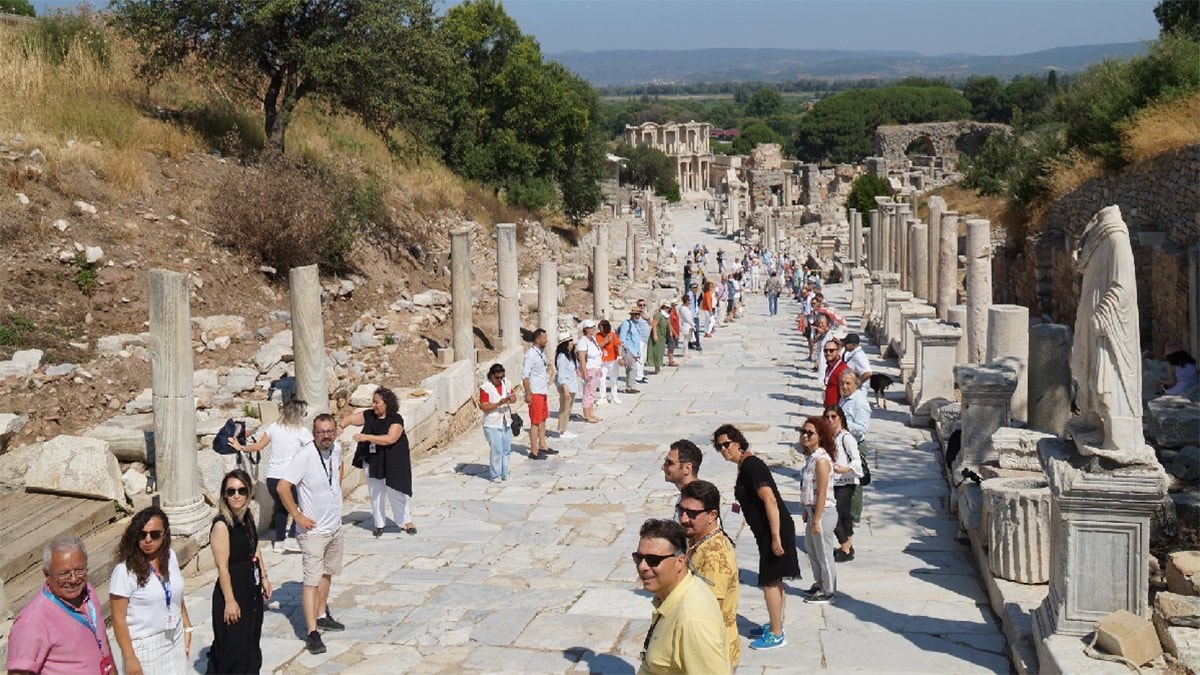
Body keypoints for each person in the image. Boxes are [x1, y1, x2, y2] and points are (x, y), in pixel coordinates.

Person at [713, 424, 799, 650]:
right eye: (719, 446)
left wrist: (775, 536)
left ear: (738, 442)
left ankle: (777, 634)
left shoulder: (751, 466)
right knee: (775, 578)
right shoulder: (745, 465)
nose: (723, 449)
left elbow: (769, 499)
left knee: (769, 581)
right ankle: (775, 623)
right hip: (769, 531)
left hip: (774, 530)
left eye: (726, 444)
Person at [278, 414, 346, 655]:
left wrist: (335, 492)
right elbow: (282, 486)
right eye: (320, 432)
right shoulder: (305, 456)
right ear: (314, 433)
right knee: (311, 581)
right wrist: (297, 515)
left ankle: (322, 614)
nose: (325, 436)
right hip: (313, 532)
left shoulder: (336, 449)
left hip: (334, 527)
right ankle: (311, 632)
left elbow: (338, 469)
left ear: (336, 431)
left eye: (329, 431)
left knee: (328, 574)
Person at [6, 536, 115, 675]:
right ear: (46, 574)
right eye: (64, 574)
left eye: (80, 570)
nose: (74, 579)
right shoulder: (32, 621)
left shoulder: (87, 591)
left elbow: (103, 640)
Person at [633, 519, 729, 675]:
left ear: (680, 562)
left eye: (653, 560)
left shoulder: (691, 620)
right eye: (638, 558)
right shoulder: (677, 593)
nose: (642, 567)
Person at [109, 507, 190, 675]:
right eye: (142, 534)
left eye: (154, 534)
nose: (147, 540)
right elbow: (118, 619)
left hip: (174, 637)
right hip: (145, 647)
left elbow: (176, 596)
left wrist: (187, 627)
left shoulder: (170, 557)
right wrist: (130, 658)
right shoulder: (124, 571)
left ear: (165, 534)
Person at [207, 469, 271, 674]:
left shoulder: (246, 517)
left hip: (250, 588)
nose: (236, 495)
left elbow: (255, 547)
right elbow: (222, 567)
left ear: (248, 494)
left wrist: (264, 577)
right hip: (233, 590)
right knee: (234, 648)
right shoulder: (221, 525)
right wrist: (230, 601)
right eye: (231, 491)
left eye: (241, 491)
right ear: (224, 495)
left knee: (251, 642)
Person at [229, 398, 311, 548]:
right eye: (304, 413)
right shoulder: (302, 431)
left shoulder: (273, 427)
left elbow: (258, 446)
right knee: (300, 506)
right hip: (290, 478)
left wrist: (240, 447)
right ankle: (292, 538)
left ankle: (279, 542)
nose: (305, 416)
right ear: (298, 414)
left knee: (281, 508)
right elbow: (313, 450)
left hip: (272, 477)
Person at [676, 480, 740, 670]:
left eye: (692, 513)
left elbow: (709, 615)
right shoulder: (700, 540)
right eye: (681, 510)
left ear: (712, 515)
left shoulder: (714, 558)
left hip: (711, 657)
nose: (683, 518)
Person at [344, 387, 415, 535]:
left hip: (392, 459)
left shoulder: (396, 419)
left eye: (377, 402)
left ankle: (406, 521)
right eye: (373, 402)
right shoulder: (369, 415)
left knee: (395, 490)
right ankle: (379, 523)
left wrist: (367, 437)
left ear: (386, 404)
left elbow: (390, 438)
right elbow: (351, 418)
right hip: (373, 459)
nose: (374, 406)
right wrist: (340, 426)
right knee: (376, 491)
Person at [799, 416, 838, 604]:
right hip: (813, 511)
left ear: (820, 436)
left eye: (810, 433)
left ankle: (829, 591)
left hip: (824, 512)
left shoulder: (822, 461)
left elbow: (822, 493)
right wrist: (807, 510)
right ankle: (820, 582)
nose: (805, 435)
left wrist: (817, 519)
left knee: (824, 552)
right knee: (811, 550)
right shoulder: (811, 458)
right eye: (803, 431)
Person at [824, 406, 864, 563]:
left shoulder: (846, 437)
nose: (830, 420)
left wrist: (846, 469)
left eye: (834, 416)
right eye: (827, 417)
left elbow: (856, 460)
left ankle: (845, 548)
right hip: (832, 482)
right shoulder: (829, 437)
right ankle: (848, 546)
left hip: (846, 482)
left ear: (840, 418)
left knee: (835, 515)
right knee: (844, 516)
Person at [479, 363, 522, 477]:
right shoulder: (485, 388)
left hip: (505, 421)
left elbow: (514, 398)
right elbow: (484, 407)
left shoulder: (506, 384)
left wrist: (511, 398)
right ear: (491, 376)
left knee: (506, 449)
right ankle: (495, 474)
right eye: (497, 377)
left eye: (501, 377)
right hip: (492, 423)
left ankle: (504, 472)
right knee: (497, 450)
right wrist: (498, 403)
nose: (499, 380)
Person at [521, 328, 551, 457]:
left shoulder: (540, 352)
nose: (546, 340)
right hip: (535, 392)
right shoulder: (530, 355)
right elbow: (525, 375)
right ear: (538, 339)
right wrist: (528, 392)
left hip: (543, 390)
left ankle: (543, 445)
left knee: (543, 419)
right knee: (535, 421)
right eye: (544, 338)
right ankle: (534, 450)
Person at [576, 320, 605, 422]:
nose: (593, 329)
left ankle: (591, 413)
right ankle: (587, 415)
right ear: (585, 329)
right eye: (590, 327)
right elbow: (582, 357)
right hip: (588, 369)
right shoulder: (583, 341)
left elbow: (597, 354)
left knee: (592, 392)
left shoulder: (592, 339)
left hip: (596, 368)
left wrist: (599, 368)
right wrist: (585, 373)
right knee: (587, 392)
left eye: (594, 327)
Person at [554, 332, 580, 438]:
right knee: (564, 408)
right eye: (570, 342)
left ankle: (564, 428)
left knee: (568, 408)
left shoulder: (570, 355)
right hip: (566, 386)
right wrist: (565, 389)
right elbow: (561, 374)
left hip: (572, 385)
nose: (572, 344)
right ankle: (562, 430)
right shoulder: (561, 357)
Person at [838, 370, 872, 444]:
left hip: (854, 445)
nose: (844, 386)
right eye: (842, 383)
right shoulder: (844, 397)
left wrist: (842, 424)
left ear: (856, 384)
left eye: (848, 383)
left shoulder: (860, 402)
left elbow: (863, 428)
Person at [617, 309, 644, 395]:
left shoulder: (636, 325)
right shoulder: (626, 324)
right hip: (627, 350)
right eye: (635, 314)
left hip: (634, 351)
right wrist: (622, 353)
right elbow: (622, 339)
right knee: (633, 368)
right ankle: (629, 387)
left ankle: (630, 386)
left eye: (638, 314)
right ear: (632, 315)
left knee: (631, 369)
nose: (637, 316)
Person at [596, 320, 622, 404]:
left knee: (613, 379)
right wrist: (606, 341)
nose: (599, 329)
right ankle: (603, 397)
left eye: (601, 327)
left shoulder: (613, 335)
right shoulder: (598, 336)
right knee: (601, 379)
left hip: (613, 360)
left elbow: (618, 346)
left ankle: (614, 396)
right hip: (602, 361)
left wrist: (620, 357)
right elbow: (598, 346)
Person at [822, 338, 849, 408]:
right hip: (829, 408)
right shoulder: (829, 367)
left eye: (831, 351)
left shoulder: (842, 369)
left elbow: (847, 394)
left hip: (837, 410)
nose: (828, 353)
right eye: (825, 351)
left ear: (838, 351)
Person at [646, 303, 670, 375]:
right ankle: (657, 368)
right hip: (657, 335)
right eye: (666, 307)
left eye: (668, 307)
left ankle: (658, 366)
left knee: (660, 352)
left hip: (662, 336)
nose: (667, 308)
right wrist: (655, 334)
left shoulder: (665, 316)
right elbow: (654, 325)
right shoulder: (658, 315)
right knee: (656, 351)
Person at [635, 299, 651, 383]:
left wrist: (647, 318)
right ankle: (638, 376)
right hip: (639, 339)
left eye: (643, 305)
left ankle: (641, 374)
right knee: (639, 358)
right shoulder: (636, 315)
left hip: (645, 339)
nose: (642, 307)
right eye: (640, 305)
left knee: (643, 358)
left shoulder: (645, 314)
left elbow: (651, 323)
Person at [685, 282, 703, 351]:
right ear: (691, 288)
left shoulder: (693, 294)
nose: (696, 289)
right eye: (694, 288)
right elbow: (687, 304)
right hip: (691, 315)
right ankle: (697, 344)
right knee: (696, 330)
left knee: (692, 330)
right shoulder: (689, 294)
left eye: (696, 288)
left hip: (694, 314)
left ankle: (690, 343)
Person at [666, 302, 681, 366]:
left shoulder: (675, 313)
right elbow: (670, 325)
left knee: (673, 347)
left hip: (676, 331)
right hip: (671, 333)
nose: (674, 307)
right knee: (671, 347)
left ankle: (671, 360)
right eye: (673, 305)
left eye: (675, 305)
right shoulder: (670, 314)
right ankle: (670, 361)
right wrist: (674, 333)